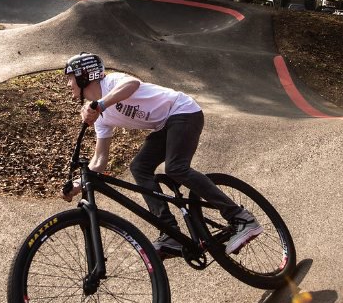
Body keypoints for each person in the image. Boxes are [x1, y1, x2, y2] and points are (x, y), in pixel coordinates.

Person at [60, 52, 263, 258]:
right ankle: (170, 233)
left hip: (184, 111)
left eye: (70, 78)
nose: (68, 84)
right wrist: (78, 184)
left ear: (84, 75)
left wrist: (100, 104)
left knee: (175, 167)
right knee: (139, 167)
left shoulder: (111, 83)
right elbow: (100, 160)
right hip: (165, 125)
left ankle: (240, 217)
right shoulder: (102, 119)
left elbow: (133, 84)